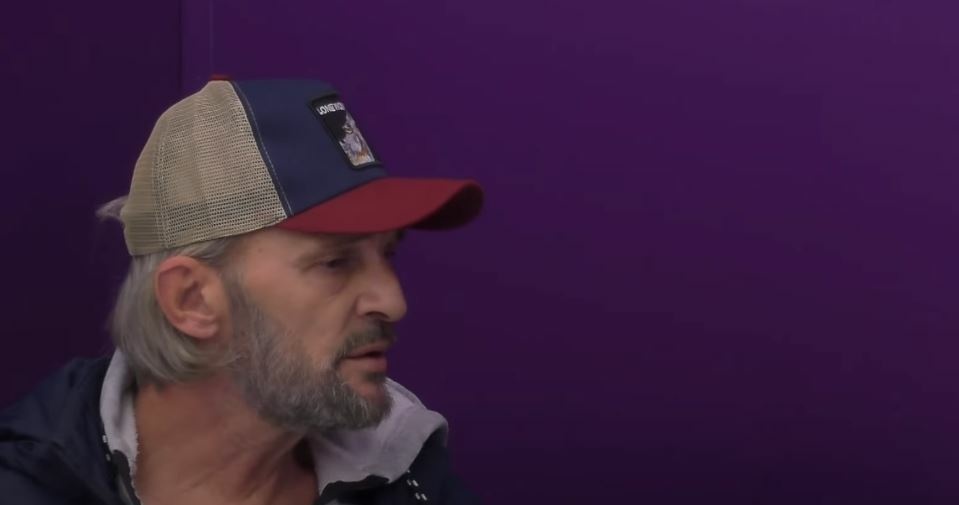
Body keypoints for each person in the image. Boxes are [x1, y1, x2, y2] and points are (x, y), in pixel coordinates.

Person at [0, 78, 484, 505]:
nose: (393, 302)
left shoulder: (409, 479)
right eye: (336, 262)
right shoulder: (31, 487)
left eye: (388, 254)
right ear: (192, 300)